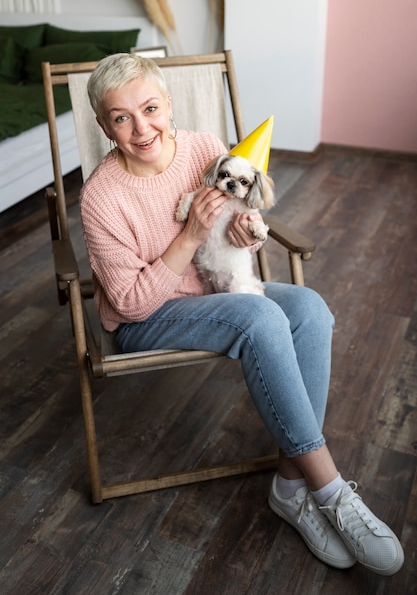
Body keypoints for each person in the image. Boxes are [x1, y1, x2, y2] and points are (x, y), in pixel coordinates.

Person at [80, 53, 404, 576]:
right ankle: (330, 490)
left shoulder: (207, 149)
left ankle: (289, 485)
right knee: (261, 320)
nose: (142, 128)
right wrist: (188, 236)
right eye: (121, 117)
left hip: (220, 287)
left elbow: (243, 221)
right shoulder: (101, 196)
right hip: (150, 316)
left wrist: (243, 233)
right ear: (104, 125)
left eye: (151, 108)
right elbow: (130, 303)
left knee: (311, 310)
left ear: (169, 103)